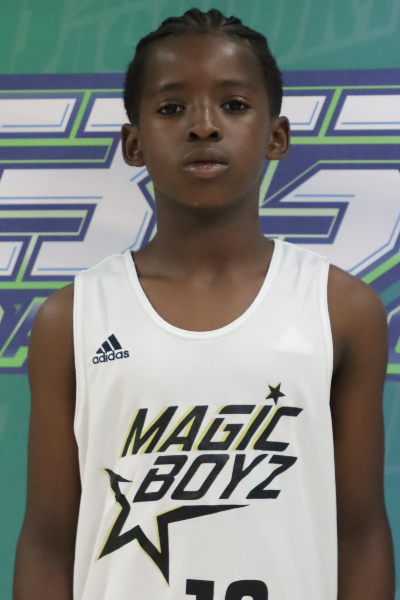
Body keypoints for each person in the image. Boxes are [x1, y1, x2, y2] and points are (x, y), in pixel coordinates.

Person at [13, 8, 394, 600]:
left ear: (276, 136)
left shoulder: (341, 309)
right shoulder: (73, 318)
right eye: (172, 108)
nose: (204, 126)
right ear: (134, 144)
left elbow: (361, 536)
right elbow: (46, 542)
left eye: (234, 105)